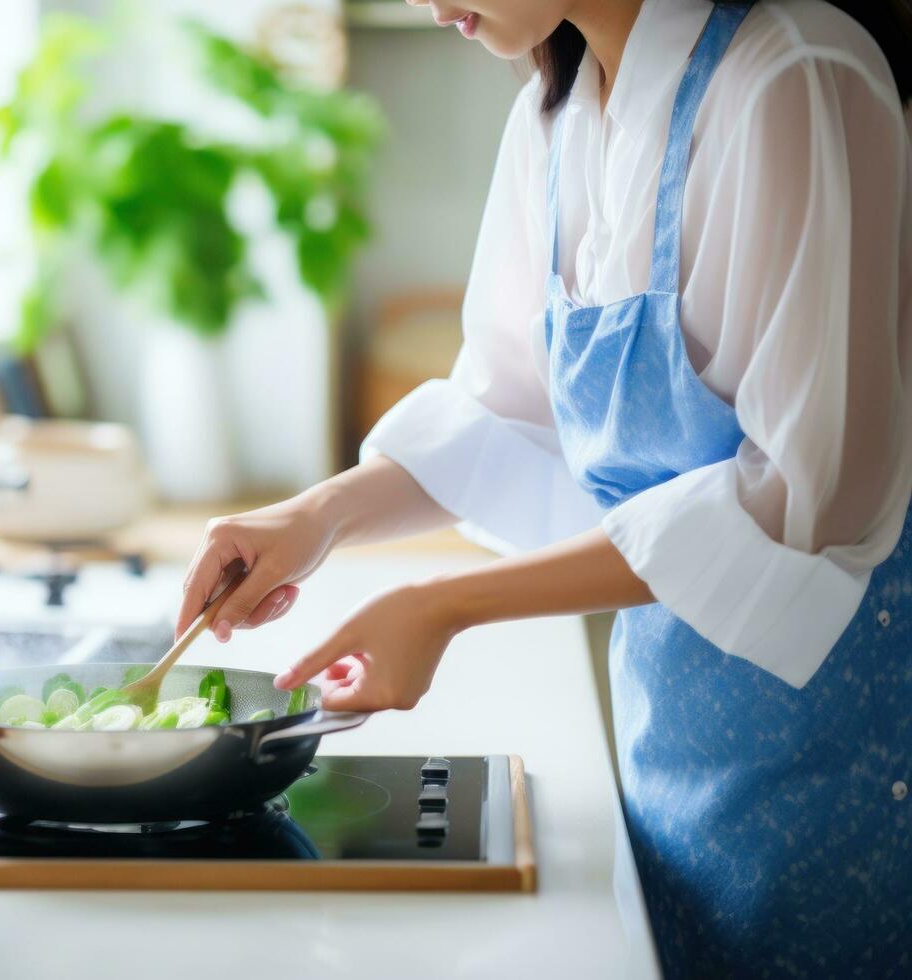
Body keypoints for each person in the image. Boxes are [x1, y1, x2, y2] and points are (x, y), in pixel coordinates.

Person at [175, 0, 912, 974]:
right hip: (677, 742)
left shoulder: (790, 76)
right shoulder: (556, 117)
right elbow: (511, 409)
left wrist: (447, 603)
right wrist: (314, 516)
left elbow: (802, 499)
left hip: (845, 767)